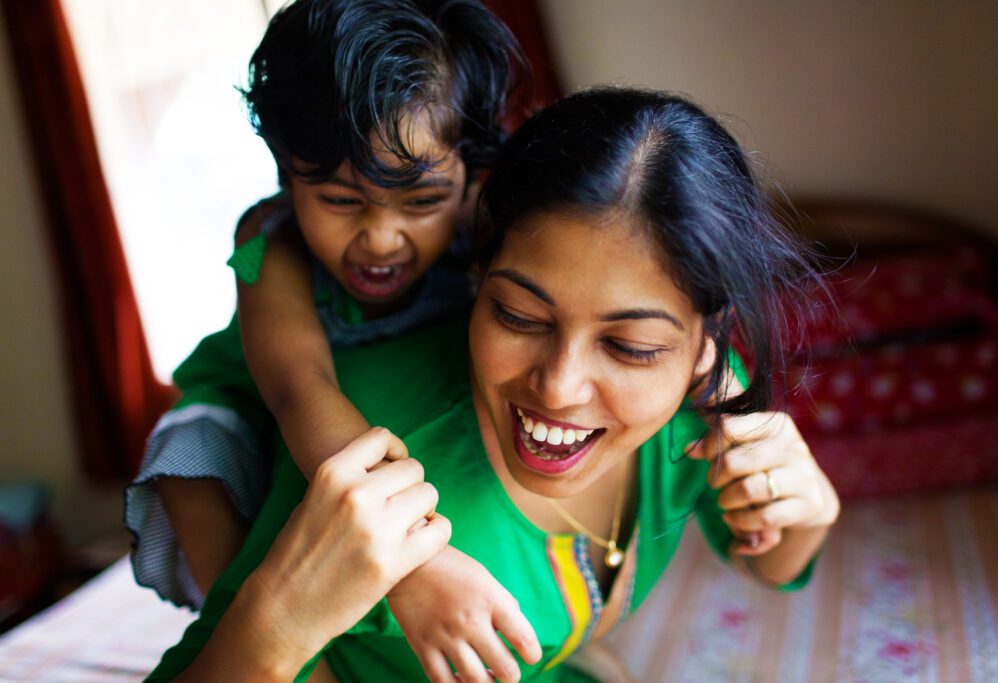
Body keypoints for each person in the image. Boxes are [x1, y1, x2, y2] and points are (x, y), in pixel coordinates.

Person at [146, 87, 840, 683]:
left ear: (702, 344)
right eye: (518, 314)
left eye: (630, 347)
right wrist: (281, 627)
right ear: (478, 275)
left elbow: (773, 561)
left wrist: (808, 513)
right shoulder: (370, 454)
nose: (560, 386)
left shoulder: (703, 405)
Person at [126, 0, 545, 679]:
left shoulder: (494, 224)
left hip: (372, 409)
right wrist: (412, 563)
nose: (382, 240)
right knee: (188, 459)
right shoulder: (274, 241)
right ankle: (259, 634)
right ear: (288, 173)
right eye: (342, 201)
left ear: (469, 173)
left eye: (421, 202)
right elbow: (300, 389)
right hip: (267, 403)